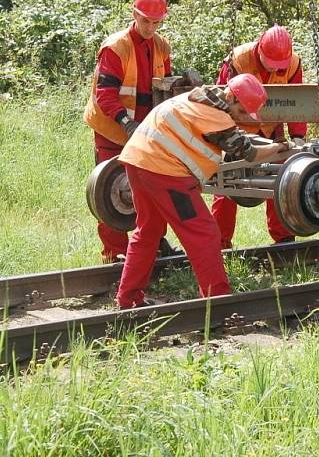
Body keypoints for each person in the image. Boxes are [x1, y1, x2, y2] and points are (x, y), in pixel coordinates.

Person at [115, 73, 288, 308]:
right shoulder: (217, 118)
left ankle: (128, 299)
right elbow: (250, 155)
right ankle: (217, 303)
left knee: (148, 230)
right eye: (242, 112)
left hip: (137, 160)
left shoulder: (194, 98)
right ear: (231, 97)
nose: (244, 118)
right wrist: (281, 148)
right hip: (165, 171)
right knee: (204, 233)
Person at [83, 0, 173, 263]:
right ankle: (114, 253)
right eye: (146, 20)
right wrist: (126, 122)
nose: (150, 27)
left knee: (154, 188)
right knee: (110, 189)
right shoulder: (115, 47)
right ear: (134, 14)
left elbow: (165, 87)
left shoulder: (162, 46)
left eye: (156, 22)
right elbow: (105, 95)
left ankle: (155, 243)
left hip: (146, 131)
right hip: (112, 130)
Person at [211, 24, 306, 248]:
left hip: (271, 129)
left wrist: (298, 136)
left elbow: (298, 101)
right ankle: (219, 242)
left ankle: (284, 239)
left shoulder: (293, 64)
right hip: (236, 129)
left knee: (281, 180)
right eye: (269, 63)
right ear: (260, 50)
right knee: (226, 183)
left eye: (278, 66)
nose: (274, 69)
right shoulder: (239, 59)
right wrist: (225, 134)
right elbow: (222, 99)